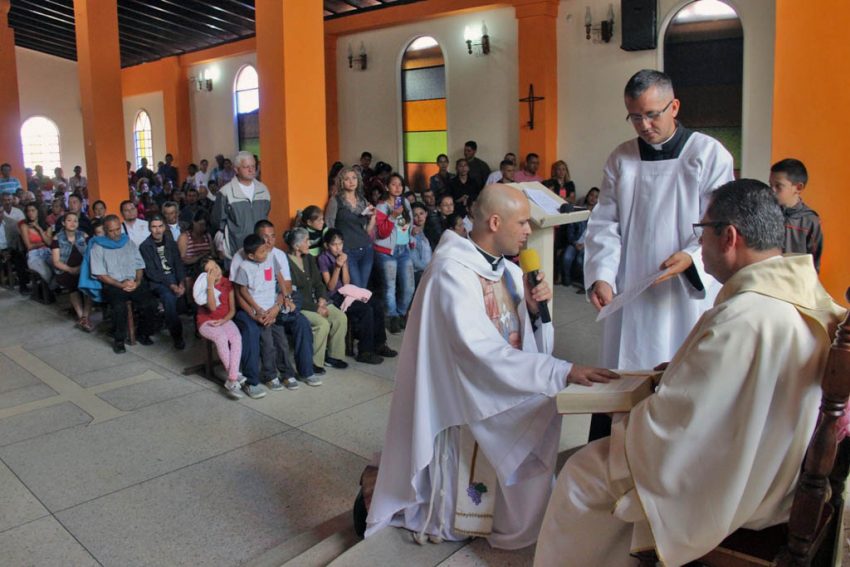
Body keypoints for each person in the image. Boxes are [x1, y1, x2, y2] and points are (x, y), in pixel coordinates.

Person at [535, 180, 846, 567]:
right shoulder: (806, 294)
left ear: (729, 236)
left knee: (583, 474)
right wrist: (678, 375)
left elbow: (677, 430)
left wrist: (629, 412)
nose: (699, 246)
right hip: (782, 464)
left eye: (702, 231)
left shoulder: (743, 318)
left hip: (747, 485)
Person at [364, 184, 616, 547]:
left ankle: (504, 512)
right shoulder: (450, 273)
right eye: (524, 223)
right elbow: (476, 351)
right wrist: (560, 371)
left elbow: (523, 340)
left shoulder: (509, 273)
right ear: (495, 222)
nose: (530, 231)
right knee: (537, 401)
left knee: (543, 405)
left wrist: (532, 311)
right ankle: (403, 492)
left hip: (495, 383)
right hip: (464, 393)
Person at [584, 69, 734, 440]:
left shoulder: (708, 153)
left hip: (681, 295)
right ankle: (620, 453)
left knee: (679, 380)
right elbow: (605, 223)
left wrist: (691, 257)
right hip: (630, 290)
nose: (645, 125)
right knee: (625, 377)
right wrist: (601, 274)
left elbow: (718, 223)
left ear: (674, 106)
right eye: (636, 116)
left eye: (653, 114)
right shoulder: (621, 159)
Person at [318, 229, 396, 365]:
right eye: (334, 244)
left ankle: (380, 344)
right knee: (366, 310)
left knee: (376, 304)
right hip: (334, 297)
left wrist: (344, 266)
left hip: (347, 291)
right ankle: (365, 351)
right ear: (326, 245)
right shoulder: (323, 259)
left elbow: (347, 282)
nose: (338, 248)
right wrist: (337, 267)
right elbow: (330, 287)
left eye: (340, 244)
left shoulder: (343, 255)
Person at [231, 234, 296, 397]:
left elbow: (279, 277)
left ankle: (287, 374)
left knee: (282, 342)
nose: (265, 253)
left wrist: (285, 296)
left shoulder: (270, 258)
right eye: (261, 252)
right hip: (261, 311)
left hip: (273, 307)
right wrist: (257, 309)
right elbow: (242, 290)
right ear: (251, 255)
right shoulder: (244, 267)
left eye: (265, 250)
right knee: (267, 345)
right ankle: (270, 376)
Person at [87, 215, 160, 353]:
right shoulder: (98, 247)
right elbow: (101, 275)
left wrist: (137, 282)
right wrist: (121, 285)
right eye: (111, 230)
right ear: (105, 230)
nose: (115, 233)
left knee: (150, 303)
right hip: (113, 284)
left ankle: (143, 333)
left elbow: (139, 265)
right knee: (119, 308)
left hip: (132, 281)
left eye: (118, 229)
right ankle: (119, 340)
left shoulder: (128, 242)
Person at [285, 228, 349, 370]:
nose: (310, 243)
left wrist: (322, 298)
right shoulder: (286, 263)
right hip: (301, 306)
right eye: (306, 241)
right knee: (322, 324)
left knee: (340, 317)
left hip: (316, 301)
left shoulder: (308, 258)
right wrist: (316, 308)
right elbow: (293, 295)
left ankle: (334, 357)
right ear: (296, 246)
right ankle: (314, 362)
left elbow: (318, 283)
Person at [194, 259, 243, 399]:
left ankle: (232, 378)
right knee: (221, 338)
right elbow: (212, 308)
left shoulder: (227, 283)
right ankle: (233, 377)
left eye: (216, 267)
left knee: (236, 338)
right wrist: (210, 285)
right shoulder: (203, 287)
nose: (216, 271)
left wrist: (224, 320)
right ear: (205, 275)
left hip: (224, 319)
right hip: (206, 322)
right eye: (211, 271)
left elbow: (232, 310)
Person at [210, 151, 271, 261]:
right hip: (236, 251)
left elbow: (266, 215)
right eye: (246, 167)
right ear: (236, 169)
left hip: (261, 250)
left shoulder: (263, 190)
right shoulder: (226, 192)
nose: (251, 170)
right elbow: (217, 222)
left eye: (253, 166)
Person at [374, 173, 415, 334]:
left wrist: (411, 238)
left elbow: (409, 224)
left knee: (409, 286)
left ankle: (400, 312)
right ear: (386, 187)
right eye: (393, 184)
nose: (397, 188)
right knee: (389, 287)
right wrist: (393, 216)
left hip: (404, 249)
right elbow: (382, 233)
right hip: (387, 251)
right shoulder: (381, 206)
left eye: (400, 184)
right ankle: (392, 318)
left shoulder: (405, 202)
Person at [324, 166, 377, 289]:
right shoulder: (335, 200)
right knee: (355, 287)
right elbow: (329, 225)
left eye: (354, 178)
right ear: (341, 182)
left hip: (366, 248)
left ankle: (361, 308)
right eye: (347, 179)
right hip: (347, 250)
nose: (351, 181)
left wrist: (373, 217)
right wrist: (336, 249)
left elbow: (367, 230)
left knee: (363, 288)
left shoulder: (363, 201)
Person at [140, 215, 187, 350]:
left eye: (160, 226)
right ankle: (177, 336)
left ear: (164, 227)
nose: (157, 230)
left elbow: (178, 265)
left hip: (173, 278)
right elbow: (151, 272)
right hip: (157, 282)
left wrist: (181, 283)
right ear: (150, 228)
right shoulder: (145, 246)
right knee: (169, 298)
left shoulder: (171, 244)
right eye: (154, 227)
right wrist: (172, 285)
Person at [769, 158, 823, 272]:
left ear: (798, 188)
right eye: (770, 185)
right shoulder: (767, 214)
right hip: (770, 279)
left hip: (797, 282)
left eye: (778, 186)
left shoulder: (810, 220)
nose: (772, 190)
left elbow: (814, 260)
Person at [50, 211, 93, 331]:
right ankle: (81, 317)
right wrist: (70, 269)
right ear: (64, 223)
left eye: (75, 220)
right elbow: (56, 261)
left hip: (83, 267)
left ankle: (85, 316)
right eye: (69, 220)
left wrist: (82, 268)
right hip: (65, 269)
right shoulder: (57, 238)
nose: (73, 223)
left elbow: (91, 254)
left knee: (89, 285)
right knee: (72, 286)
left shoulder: (83, 235)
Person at [560, 187, 599, 289]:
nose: (593, 198)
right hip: (574, 242)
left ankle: (585, 284)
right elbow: (570, 229)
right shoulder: (578, 210)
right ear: (587, 196)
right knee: (566, 257)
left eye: (596, 197)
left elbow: (598, 235)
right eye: (591, 195)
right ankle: (566, 279)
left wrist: (585, 245)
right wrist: (574, 243)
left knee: (579, 260)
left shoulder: (599, 215)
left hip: (588, 245)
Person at [19, 202, 53, 286]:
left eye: (33, 210)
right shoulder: (24, 226)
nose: (30, 213)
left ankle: (50, 289)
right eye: (28, 211)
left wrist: (39, 229)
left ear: (38, 211)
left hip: (48, 252)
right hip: (34, 255)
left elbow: (49, 243)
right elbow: (29, 246)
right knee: (46, 272)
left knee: (58, 268)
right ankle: (52, 290)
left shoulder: (46, 225)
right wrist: (43, 243)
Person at [409, 202, 433, 287]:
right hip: (418, 273)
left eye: (421, 213)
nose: (419, 217)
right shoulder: (412, 233)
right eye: (415, 215)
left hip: (429, 270)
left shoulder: (429, 229)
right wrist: (430, 269)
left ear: (426, 214)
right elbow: (415, 262)